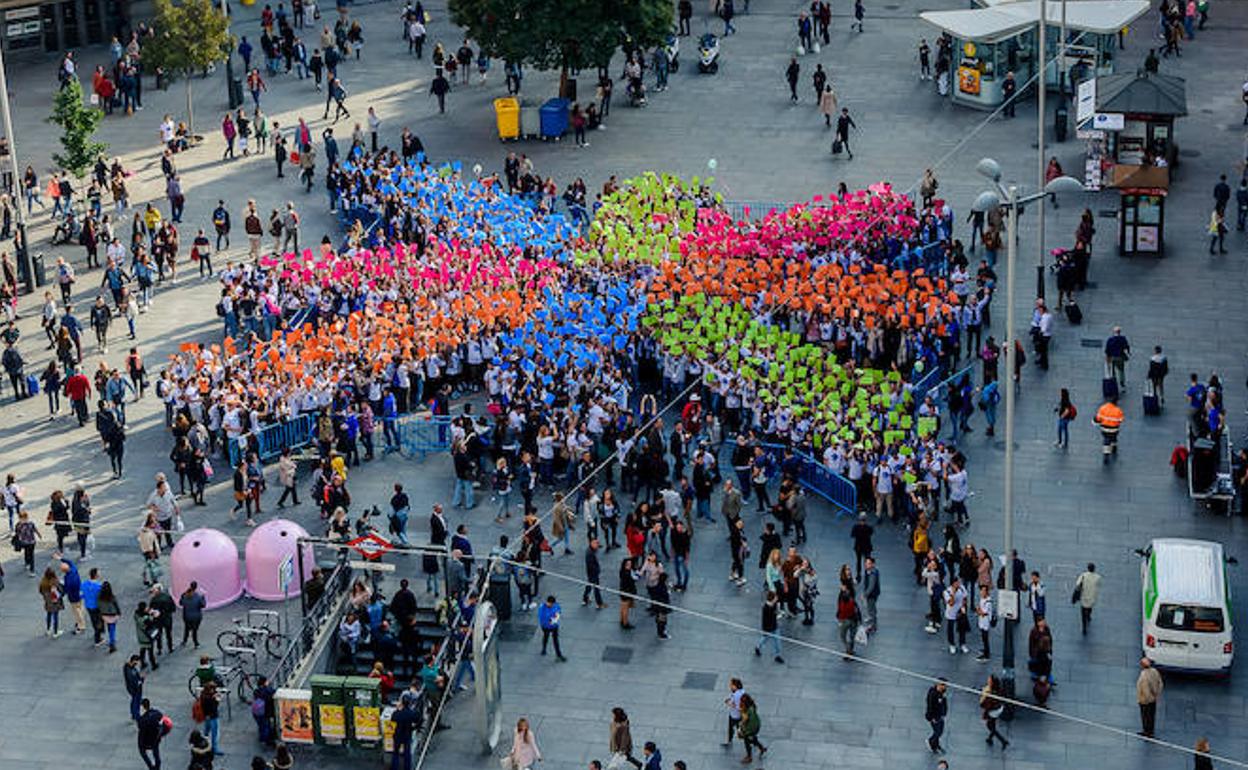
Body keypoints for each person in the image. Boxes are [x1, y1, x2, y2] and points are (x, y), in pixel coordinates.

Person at [979, 674, 1009, 749]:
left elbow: (983, 704)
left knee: (990, 727)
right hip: (998, 709)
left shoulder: (991, 694)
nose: (988, 681)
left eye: (989, 680)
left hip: (993, 711)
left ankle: (1003, 741)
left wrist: (984, 695)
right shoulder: (999, 689)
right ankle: (989, 738)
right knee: (992, 724)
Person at [137, 698, 167, 770]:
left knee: (142, 751)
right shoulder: (157, 713)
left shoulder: (142, 720)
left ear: (143, 707)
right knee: (156, 751)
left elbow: (141, 730)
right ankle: (157, 764)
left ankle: (150, 766)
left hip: (145, 741)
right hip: (155, 739)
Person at [754, 590, 783, 663]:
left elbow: (776, 612)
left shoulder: (774, 604)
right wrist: (778, 615)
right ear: (772, 599)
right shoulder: (766, 608)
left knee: (776, 641)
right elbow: (768, 618)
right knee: (765, 638)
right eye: (775, 597)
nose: (777, 598)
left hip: (774, 625)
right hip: (768, 627)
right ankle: (758, 647)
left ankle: (778, 655)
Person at [1136, 657, 1163, 737]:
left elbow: (1145, 689)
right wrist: (1157, 694)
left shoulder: (1144, 676)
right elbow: (1160, 683)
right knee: (1151, 715)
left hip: (1145, 699)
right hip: (1153, 698)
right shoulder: (1155, 671)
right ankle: (1151, 730)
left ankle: (1146, 731)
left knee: (1145, 715)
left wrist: (1147, 699)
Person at [1072, 563, 1101, 635]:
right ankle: (1088, 616)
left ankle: (1084, 626)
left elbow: (1077, 584)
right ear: (1094, 569)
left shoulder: (1083, 576)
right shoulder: (1098, 577)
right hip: (1092, 596)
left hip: (1084, 596)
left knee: (1083, 612)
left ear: (1088, 568)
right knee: (1090, 607)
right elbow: (1099, 584)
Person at [737, 694, 766, 763]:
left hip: (750, 729)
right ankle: (761, 748)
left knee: (747, 742)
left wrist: (740, 729)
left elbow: (744, 721)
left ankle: (749, 757)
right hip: (756, 726)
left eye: (741, 702)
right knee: (753, 739)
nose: (740, 703)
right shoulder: (752, 707)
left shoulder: (746, 712)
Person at [537, 595, 566, 660]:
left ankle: (559, 654)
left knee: (555, 640)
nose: (551, 605)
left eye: (552, 604)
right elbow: (542, 617)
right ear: (547, 602)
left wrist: (557, 616)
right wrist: (551, 619)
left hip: (554, 626)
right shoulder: (542, 608)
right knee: (546, 637)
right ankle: (544, 648)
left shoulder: (555, 605)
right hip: (546, 626)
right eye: (550, 603)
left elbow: (558, 611)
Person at [925, 678, 948, 753]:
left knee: (940, 731)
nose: (945, 687)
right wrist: (932, 717)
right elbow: (930, 706)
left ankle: (936, 744)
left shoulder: (942, 693)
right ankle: (931, 742)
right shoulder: (933, 694)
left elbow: (944, 703)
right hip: (935, 716)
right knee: (938, 732)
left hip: (940, 715)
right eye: (944, 685)